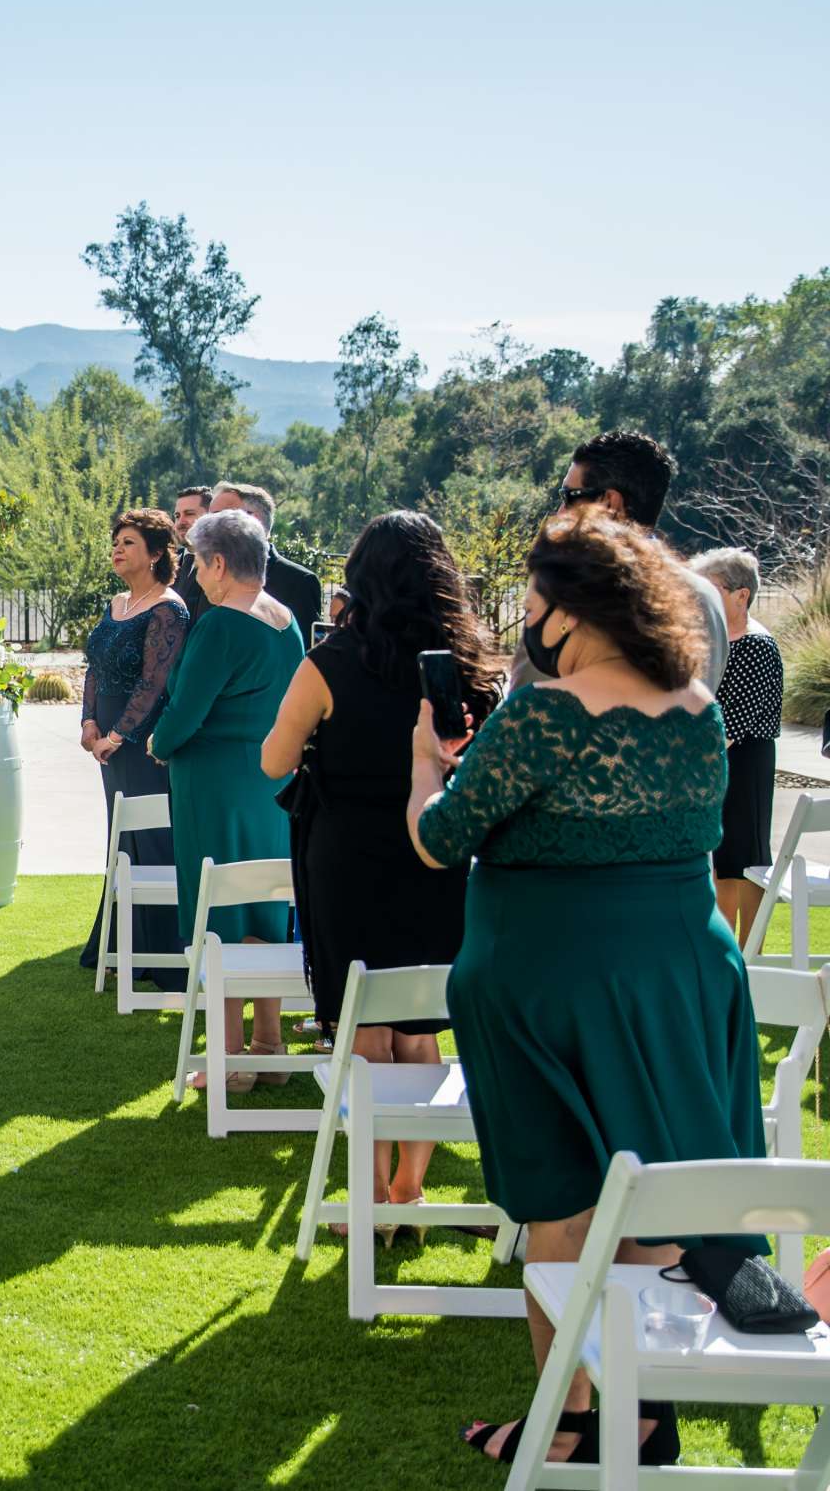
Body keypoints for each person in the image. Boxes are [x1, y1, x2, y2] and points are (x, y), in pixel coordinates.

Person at [410, 507, 763, 1468]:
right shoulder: (699, 708)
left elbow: (441, 839)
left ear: (571, 606)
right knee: (647, 1200)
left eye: (531, 597)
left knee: (561, 1205)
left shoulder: (545, 712)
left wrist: (423, 768)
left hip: (551, 990)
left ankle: (570, 1418)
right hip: (680, 980)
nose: (525, 616)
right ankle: (640, 1411)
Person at [263, 512, 501, 1222]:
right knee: (416, 1025)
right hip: (435, 852)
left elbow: (275, 760)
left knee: (362, 1029)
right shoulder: (469, 667)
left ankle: (368, 1194)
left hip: (347, 860)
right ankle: (409, 1188)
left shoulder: (329, 662)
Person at [147, 509, 305, 1091]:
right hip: (267, 784)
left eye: (194, 559)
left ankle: (232, 1060)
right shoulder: (283, 618)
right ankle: (269, 1044)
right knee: (263, 905)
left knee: (219, 913)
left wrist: (160, 743)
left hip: (214, 784)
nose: (192, 569)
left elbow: (185, 709)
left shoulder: (220, 624)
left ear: (218, 563)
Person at [526, 430, 727, 688]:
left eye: (569, 496)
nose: (560, 511)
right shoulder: (706, 596)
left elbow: (528, 705)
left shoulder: (569, 591)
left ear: (610, 502)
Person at [77, 508, 188, 973]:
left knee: (151, 836)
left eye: (128, 543)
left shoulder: (169, 608)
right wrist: (88, 723)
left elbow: (154, 683)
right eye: (116, 542)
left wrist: (118, 735)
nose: (117, 550)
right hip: (106, 744)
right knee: (120, 836)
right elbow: (96, 668)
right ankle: (120, 944)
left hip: (141, 747)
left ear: (157, 553)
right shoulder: (116, 605)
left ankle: (162, 954)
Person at [690, 546, 781, 941]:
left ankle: (745, 958)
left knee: (743, 861)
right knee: (721, 861)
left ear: (740, 595)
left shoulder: (756, 645)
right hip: (718, 759)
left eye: (710, 590)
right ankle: (724, 954)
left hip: (744, 762)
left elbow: (735, 722)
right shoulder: (718, 641)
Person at [208, 482, 322, 637]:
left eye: (218, 517)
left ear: (253, 521)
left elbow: (304, 651)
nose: (207, 527)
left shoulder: (299, 582)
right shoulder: (209, 575)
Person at [171, 486, 213, 629]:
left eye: (189, 514)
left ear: (210, 516)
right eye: (177, 516)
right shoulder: (167, 563)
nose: (181, 522)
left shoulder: (221, 566)